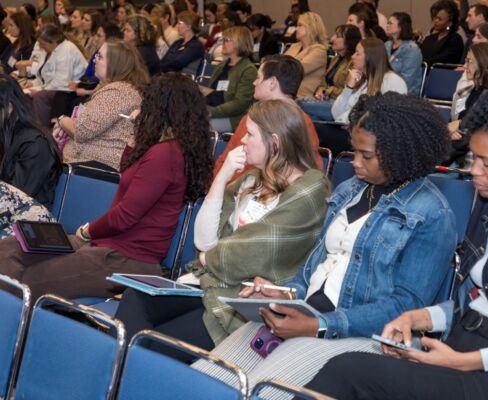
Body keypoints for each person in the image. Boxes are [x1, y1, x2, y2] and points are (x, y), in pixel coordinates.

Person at [305, 82, 488, 400]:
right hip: (466, 346)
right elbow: (475, 303)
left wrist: (462, 361)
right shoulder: (487, 202)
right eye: (473, 158)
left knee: (347, 371)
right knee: (353, 372)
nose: (474, 171)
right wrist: (417, 318)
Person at [191, 91, 457, 391]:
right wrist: (282, 293)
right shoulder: (351, 189)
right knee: (204, 381)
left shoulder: (432, 214)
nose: (354, 162)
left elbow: (405, 307)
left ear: (399, 154)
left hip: (358, 335)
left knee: (259, 392)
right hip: (307, 315)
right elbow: (314, 270)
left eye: (365, 156)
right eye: (354, 151)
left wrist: (319, 325)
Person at [114, 99, 329, 349]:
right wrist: (223, 176)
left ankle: (125, 374)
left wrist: (207, 259)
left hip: (242, 300)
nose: (242, 141)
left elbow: (250, 254)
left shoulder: (308, 192)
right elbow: (203, 241)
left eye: (250, 134)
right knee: (134, 299)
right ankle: (117, 378)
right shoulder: (251, 179)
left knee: (155, 341)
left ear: (275, 141)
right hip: (212, 284)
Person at [0, 73, 214, 302]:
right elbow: (128, 172)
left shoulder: (165, 154)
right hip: (106, 246)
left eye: (147, 103)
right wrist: (135, 133)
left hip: (127, 259)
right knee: (10, 247)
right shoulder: (162, 149)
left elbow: (125, 216)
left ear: (160, 107)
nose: (142, 108)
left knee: (27, 278)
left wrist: (86, 232)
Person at [215, 54, 322, 181]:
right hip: (232, 190)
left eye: (258, 78)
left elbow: (307, 177)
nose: (254, 83)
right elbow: (226, 159)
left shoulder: (300, 124)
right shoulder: (252, 117)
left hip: (266, 195)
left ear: (272, 83)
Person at [56, 40, 150, 171]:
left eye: (99, 57)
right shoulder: (121, 89)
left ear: (115, 64)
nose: (94, 60)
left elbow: (82, 131)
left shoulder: (118, 92)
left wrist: (62, 120)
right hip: (88, 165)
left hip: (95, 170)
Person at [0, 74, 61, 208]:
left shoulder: (35, 143)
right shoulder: (9, 134)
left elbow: (17, 197)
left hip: (28, 220)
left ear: (8, 108)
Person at [448, 42, 488, 166]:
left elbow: (472, 133)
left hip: (479, 162)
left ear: (485, 63)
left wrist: (458, 128)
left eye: (470, 61)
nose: (465, 66)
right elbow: (459, 128)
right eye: (466, 61)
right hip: (460, 154)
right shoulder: (473, 91)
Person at [22, 23, 87, 128]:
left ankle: (43, 133)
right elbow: (44, 76)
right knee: (25, 95)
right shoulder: (48, 51)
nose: (40, 46)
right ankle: (28, 128)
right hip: (55, 86)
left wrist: (39, 90)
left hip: (70, 89)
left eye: (42, 43)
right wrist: (32, 83)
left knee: (40, 96)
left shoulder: (67, 49)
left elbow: (61, 82)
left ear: (53, 41)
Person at [331, 38, 407, 124]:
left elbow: (393, 119)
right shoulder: (363, 81)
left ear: (370, 57)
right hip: (348, 128)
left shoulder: (393, 81)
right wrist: (348, 87)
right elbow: (336, 114)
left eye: (357, 53)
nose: (352, 56)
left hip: (364, 134)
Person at [297, 24, 361, 122]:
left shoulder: (354, 64)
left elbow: (350, 91)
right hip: (326, 100)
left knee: (299, 104)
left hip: (339, 105)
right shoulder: (335, 59)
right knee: (311, 118)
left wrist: (327, 91)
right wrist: (320, 90)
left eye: (338, 36)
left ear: (349, 41)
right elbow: (323, 81)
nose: (332, 39)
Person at [206, 26, 257, 133]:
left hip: (232, 117)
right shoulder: (222, 65)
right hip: (211, 110)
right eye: (223, 40)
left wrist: (211, 112)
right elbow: (211, 91)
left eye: (227, 40)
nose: (223, 43)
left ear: (239, 43)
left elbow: (240, 103)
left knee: (197, 126)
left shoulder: (248, 70)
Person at [285, 12, 328, 98]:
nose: (296, 29)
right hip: (287, 94)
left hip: (303, 98)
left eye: (300, 25)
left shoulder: (319, 51)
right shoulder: (294, 46)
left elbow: (296, 69)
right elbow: (280, 66)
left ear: (311, 27)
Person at [385, 12, 423, 96]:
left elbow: (407, 80)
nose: (387, 25)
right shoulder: (387, 45)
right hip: (386, 89)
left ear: (401, 27)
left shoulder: (412, 50)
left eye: (390, 23)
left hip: (406, 94)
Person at [420, 0, 465, 65]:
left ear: (450, 23)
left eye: (440, 19)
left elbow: (442, 60)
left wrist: (421, 62)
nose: (435, 21)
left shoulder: (455, 39)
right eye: (435, 18)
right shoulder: (429, 38)